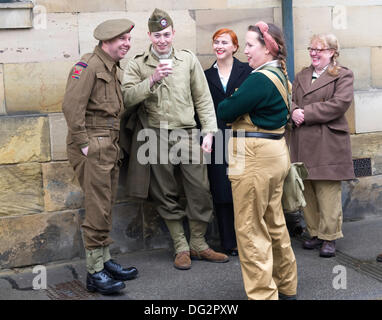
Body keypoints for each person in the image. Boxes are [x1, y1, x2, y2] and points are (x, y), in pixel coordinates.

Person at [122, 8, 229, 271]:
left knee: (200, 190)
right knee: (164, 192)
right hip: (154, 135)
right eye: (157, 35)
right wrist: (153, 79)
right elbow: (125, 99)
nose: (162, 40)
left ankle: (199, 243)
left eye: (166, 34)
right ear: (149, 35)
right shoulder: (137, 64)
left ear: (173, 34)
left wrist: (210, 132)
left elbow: (202, 98)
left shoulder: (187, 59)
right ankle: (181, 246)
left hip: (188, 133)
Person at [217, 21, 297, 300]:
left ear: (267, 48)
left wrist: (234, 106)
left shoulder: (259, 79)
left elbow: (226, 109)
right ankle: (286, 286)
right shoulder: (279, 75)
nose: (246, 51)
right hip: (274, 154)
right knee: (274, 222)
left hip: (253, 157)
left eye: (250, 45)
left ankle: (263, 294)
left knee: (250, 228)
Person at [62, 19, 138, 295]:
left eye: (129, 40)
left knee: (105, 204)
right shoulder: (89, 66)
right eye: (123, 40)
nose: (127, 44)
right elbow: (71, 106)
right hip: (93, 145)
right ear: (107, 40)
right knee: (96, 207)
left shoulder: (112, 68)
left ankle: (104, 261)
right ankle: (94, 273)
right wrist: (84, 144)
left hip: (109, 144)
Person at [290, 33, 355, 258]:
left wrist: (304, 113)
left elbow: (339, 104)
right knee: (306, 189)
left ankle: (330, 237)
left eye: (320, 49)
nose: (314, 53)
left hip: (328, 141)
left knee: (327, 191)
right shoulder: (302, 75)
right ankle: (315, 232)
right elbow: (290, 98)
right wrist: (292, 111)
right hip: (302, 139)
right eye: (311, 48)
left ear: (332, 52)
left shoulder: (343, 75)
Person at [204, 28, 252, 256]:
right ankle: (228, 241)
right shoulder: (206, 76)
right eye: (216, 42)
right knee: (222, 191)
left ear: (235, 47)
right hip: (216, 139)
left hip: (243, 137)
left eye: (224, 42)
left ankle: (248, 239)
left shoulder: (248, 72)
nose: (219, 46)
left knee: (244, 189)